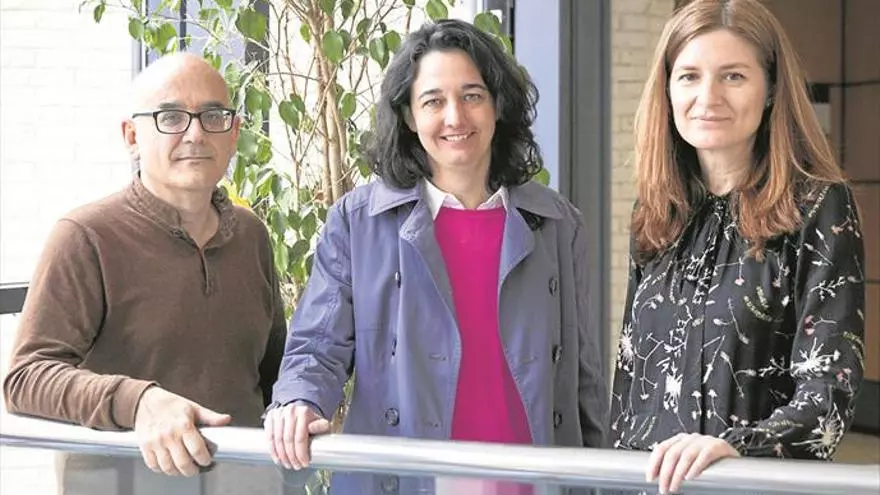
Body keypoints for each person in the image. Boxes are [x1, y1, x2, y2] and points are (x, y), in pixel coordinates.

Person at [264, 18, 609, 495]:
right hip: (405, 481)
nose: (455, 117)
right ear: (408, 116)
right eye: (433, 101)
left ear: (497, 105)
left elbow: (583, 376)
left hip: (532, 481)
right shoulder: (358, 221)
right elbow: (317, 346)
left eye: (472, 95)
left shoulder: (556, 223)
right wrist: (299, 401)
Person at [609, 0, 866, 493]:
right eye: (689, 76)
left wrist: (739, 447)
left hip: (753, 486)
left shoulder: (818, 205)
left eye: (733, 76)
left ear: (770, 90)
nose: (708, 97)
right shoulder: (657, 211)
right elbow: (628, 386)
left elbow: (828, 394)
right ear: (667, 89)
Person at [3, 53, 287, 493]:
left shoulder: (251, 234)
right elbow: (25, 379)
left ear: (233, 134)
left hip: (246, 483)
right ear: (132, 136)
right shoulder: (85, 236)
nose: (195, 134)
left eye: (213, 116)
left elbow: (274, 373)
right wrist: (139, 402)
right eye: (170, 117)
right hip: (122, 485)